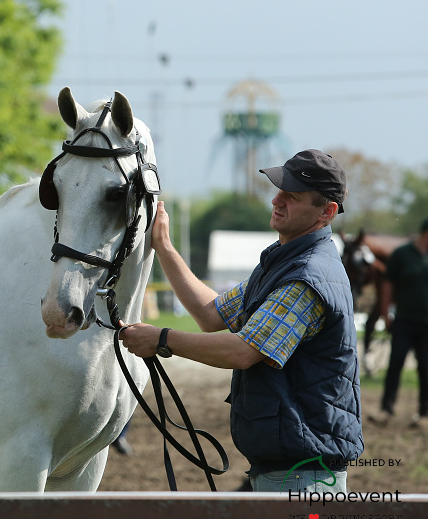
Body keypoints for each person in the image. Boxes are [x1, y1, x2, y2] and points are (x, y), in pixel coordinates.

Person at [119, 149, 363, 493]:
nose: (276, 200)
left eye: (291, 196)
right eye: (278, 190)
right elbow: (210, 314)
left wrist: (161, 338)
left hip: (302, 477)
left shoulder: (306, 277)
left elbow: (244, 352)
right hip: (284, 470)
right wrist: (164, 247)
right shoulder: (283, 264)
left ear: (327, 212)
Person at [371, 218, 428, 428]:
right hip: (404, 320)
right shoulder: (402, 254)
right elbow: (387, 285)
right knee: (395, 363)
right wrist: (386, 314)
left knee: (425, 367)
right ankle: (385, 410)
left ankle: (424, 413)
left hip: (426, 324)